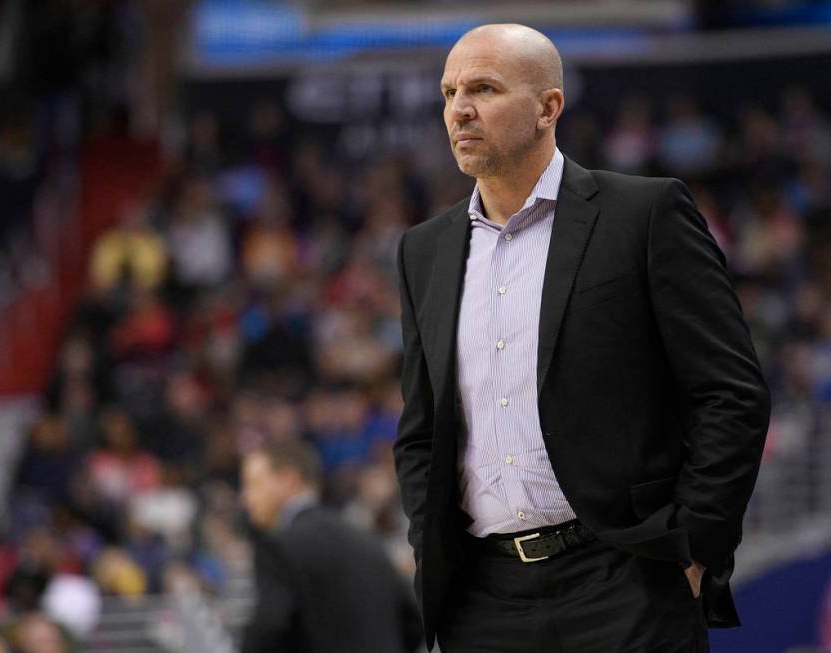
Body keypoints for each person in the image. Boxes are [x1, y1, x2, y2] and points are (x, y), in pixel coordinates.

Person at [393, 24, 771, 652]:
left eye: (483, 88)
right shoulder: (422, 251)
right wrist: (429, 546)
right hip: (483, 601)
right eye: (450, 91)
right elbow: (421, 430)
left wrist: (694, 546)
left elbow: (732, 394)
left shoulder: (643, 215)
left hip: (625, 581)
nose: (459, 108)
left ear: (548, 108)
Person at [239, 439, 423, 653]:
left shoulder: (278, 546)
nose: (245, 498)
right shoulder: (365, 539)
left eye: (253, 484)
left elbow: (269, 628)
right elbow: (413, 621)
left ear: (288, 479)